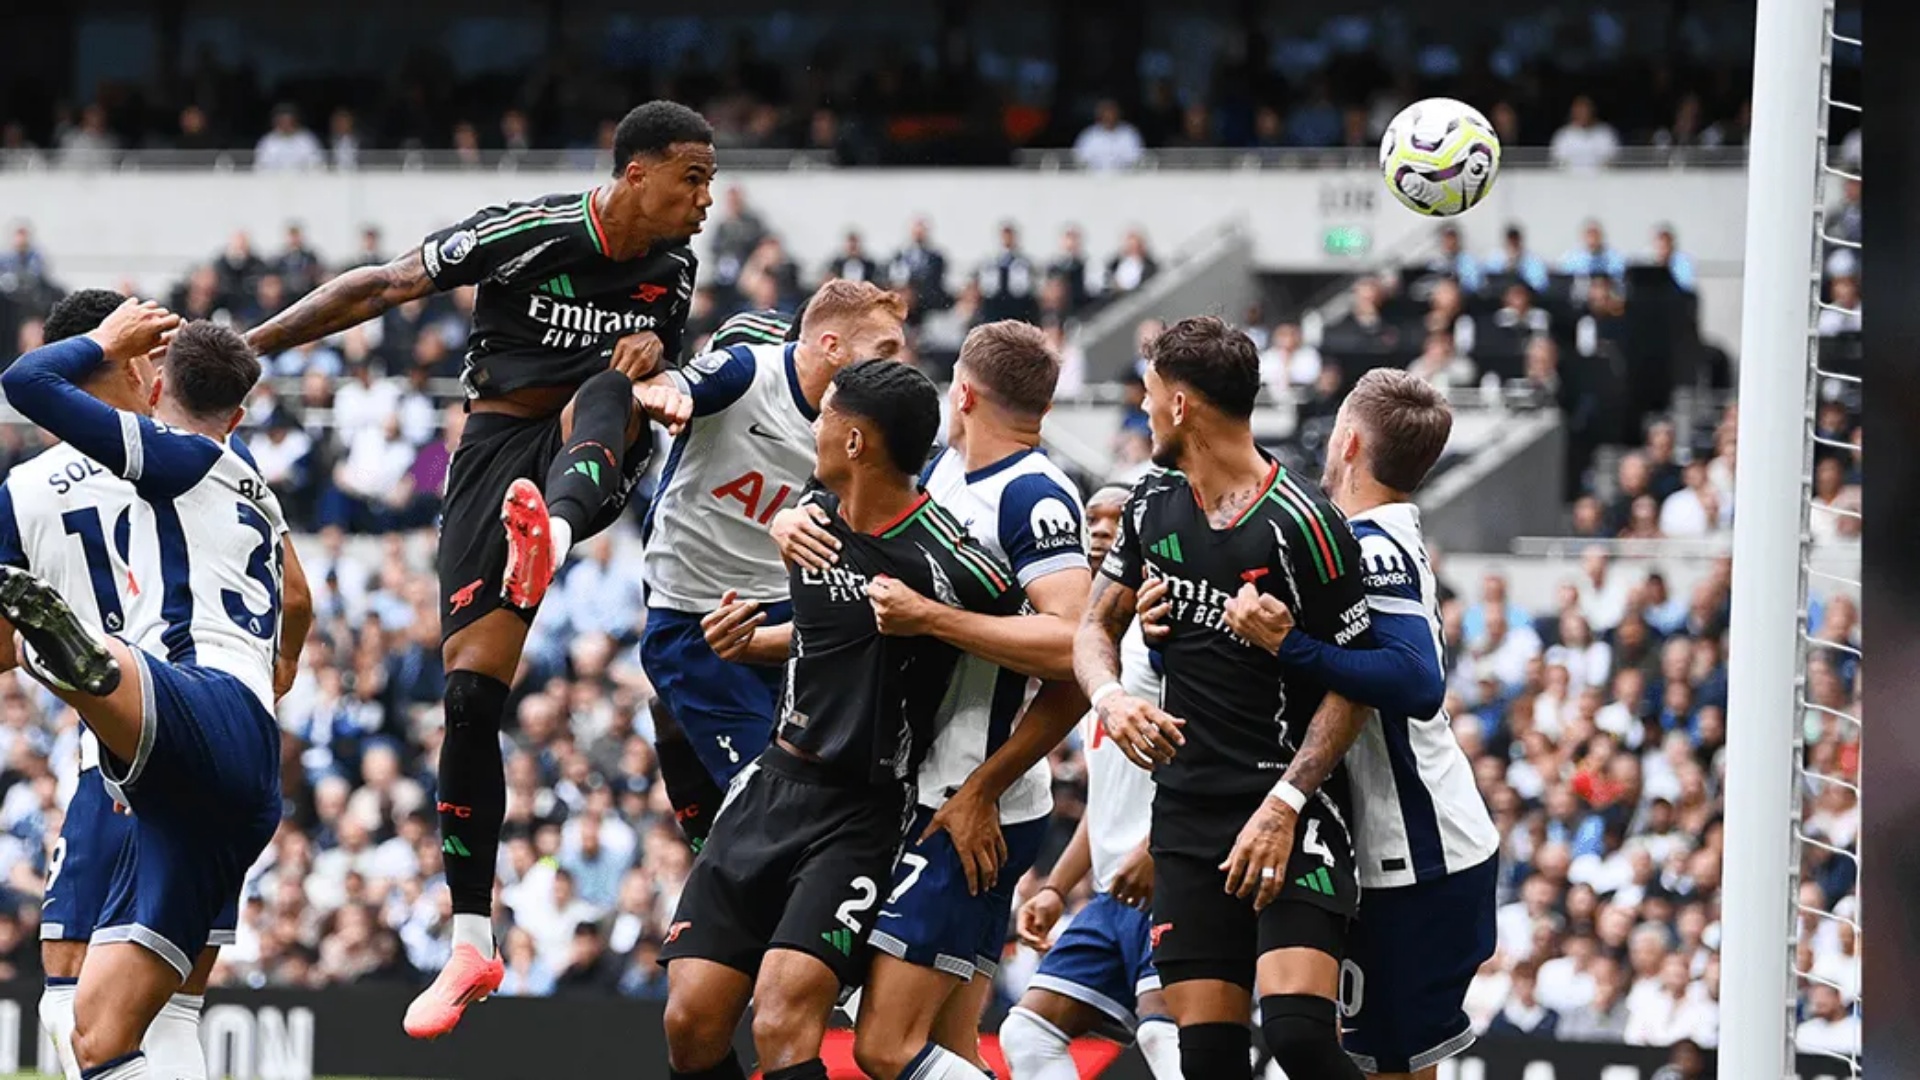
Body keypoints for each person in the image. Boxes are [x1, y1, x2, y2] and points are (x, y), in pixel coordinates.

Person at [242, 100, 710, 1037]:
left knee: (610, 388)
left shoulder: (675, 269)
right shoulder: (525, 231)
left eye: (709, 180)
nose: (706, 199)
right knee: (467, 702)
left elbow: (666, 375)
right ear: (635, 174)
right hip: (495, 452)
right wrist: (246, 352)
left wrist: (663, 355)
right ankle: (469, 940)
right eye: (692, 176)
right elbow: (378, 287)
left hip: (584, 457)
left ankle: (559, 545)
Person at [660, 360, 1028, 1080]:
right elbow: (830, 620)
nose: (813, 426)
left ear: (856, 441)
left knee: (782, 1014)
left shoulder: (950, 560)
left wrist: (936, 622)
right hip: (771, 785)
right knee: (690, 1021)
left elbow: (1055, 648)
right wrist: (776, 553)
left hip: (860, 811)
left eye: (825, 415)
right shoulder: (814, 508)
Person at [1147, 368, 1499, 1078]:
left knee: (1386, 1063)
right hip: (1386, 848)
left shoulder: (1373, 547)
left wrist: (1289, 644)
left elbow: (1417, 680)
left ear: (1350, 439)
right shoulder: (1345, 537)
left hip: (1419, 856)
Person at [0, 299, 311, 1080]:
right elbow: (298, 599)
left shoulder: (51, 479)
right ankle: (85, 660)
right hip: (239, 741)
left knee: (68, 996)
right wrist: (281, 674)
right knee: (133, 1021)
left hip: (144, 725)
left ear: (155, 369)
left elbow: (25, 382)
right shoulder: (244, 478)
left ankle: (80, 659)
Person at [776, 321, 1090, 1079]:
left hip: (970, 796)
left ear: (965, 393)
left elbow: (1076, 650)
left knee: (886, 1046)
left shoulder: (1036, 495)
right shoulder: (942, 475)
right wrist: (784, 540)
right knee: (948, 1048)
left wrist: (983, 786)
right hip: (922, 788)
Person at [1073, 315, 1375, 1080]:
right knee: (1207, 1060)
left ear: (1180, 405)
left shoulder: (1305, 524)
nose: (1141, 412)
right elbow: (1091, 629)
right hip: (1186, 816)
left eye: (1147, 396)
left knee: (1301, 1035)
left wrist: (1284, 805)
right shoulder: (1151, 502)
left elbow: (1357, 684)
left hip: (1288, 806)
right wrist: (1111, 697)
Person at [641, 282, 906, 851]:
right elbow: (665, 387)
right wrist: (661, 392)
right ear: (831, 345)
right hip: (699, 614)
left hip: (788, 614)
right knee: (768, 801)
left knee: (818, 791)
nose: (897, 366)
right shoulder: (748, 374)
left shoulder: (863, 428)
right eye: (884, 350)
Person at [1002, 485, 1182, 1080]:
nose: (1102, 530)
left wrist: (1157, 847)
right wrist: (1056, 888)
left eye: (1118, 518)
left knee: (1167, 1038)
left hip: (1176, 873)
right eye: (1092, 519)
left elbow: (1222, 757)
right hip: (1112, 893)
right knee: (1026, 1036)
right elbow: (1109, 800)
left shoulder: (1163, 630)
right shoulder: (1094, 650)